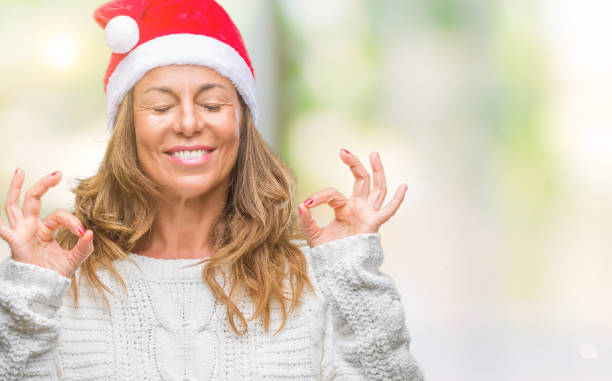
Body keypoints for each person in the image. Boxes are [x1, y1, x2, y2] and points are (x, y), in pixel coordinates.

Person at [0, 0, 425, 380]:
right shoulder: (62, 280)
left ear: (241, 122)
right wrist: (30, 295)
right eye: (162, 106)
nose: (188, 123)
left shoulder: (314, 279)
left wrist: (354, 275)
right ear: (127, 128)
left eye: (212, 105)